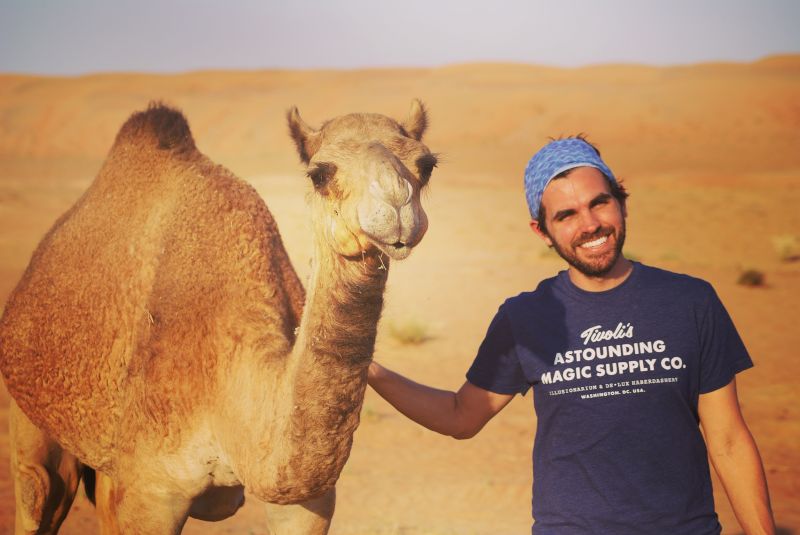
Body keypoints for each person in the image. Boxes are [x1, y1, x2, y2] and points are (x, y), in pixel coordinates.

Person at [368, 136, 776, 534]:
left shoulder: (691, 302)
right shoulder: (525, 317)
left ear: (621, 202)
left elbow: (728, 440)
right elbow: (461, 416)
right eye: (566, 215)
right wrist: (366, 369)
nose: (591, 224)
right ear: (542, 231)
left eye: (600, 202)